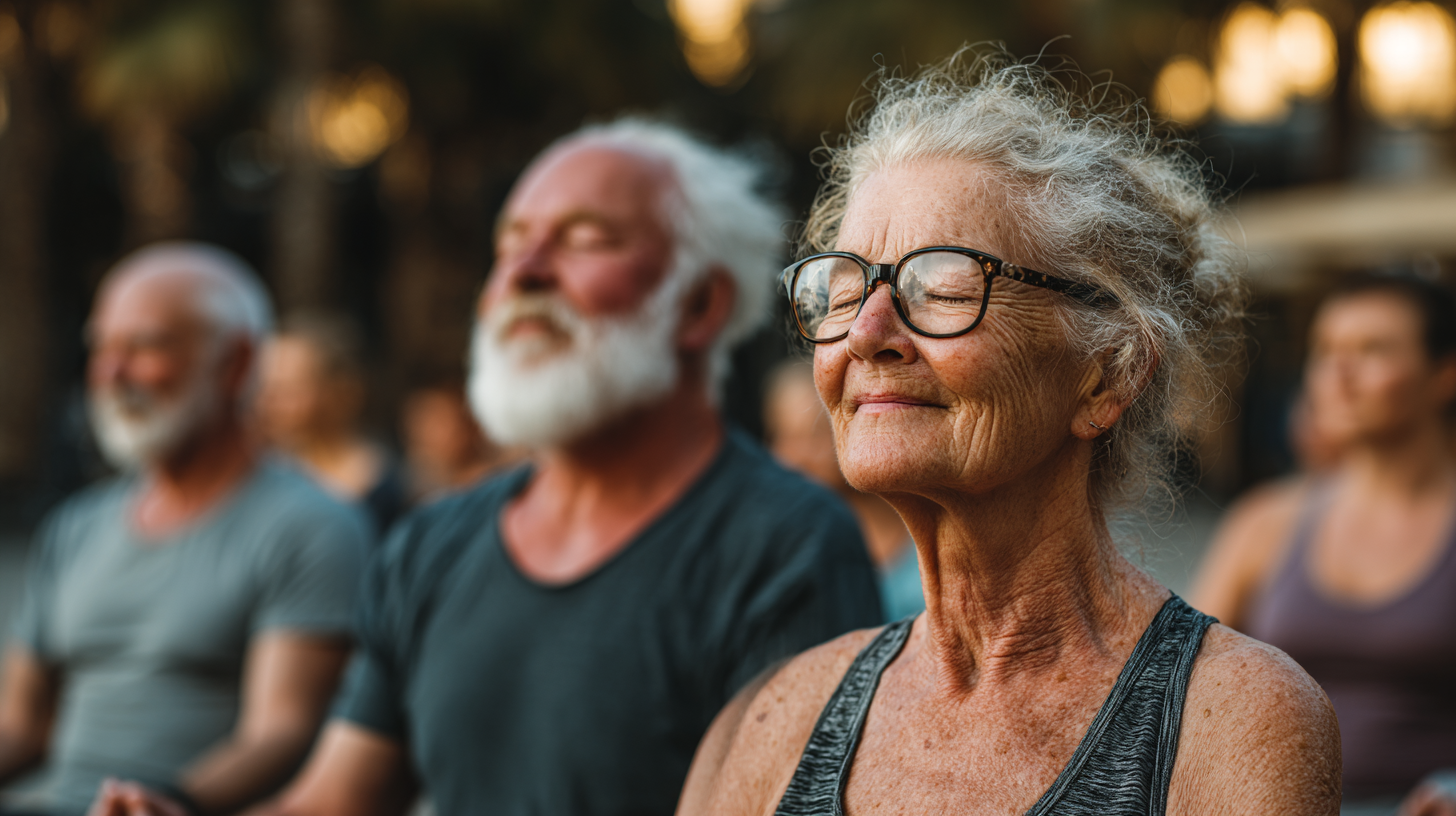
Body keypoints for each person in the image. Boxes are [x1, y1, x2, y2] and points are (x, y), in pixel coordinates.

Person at [96, 119, 883, 816]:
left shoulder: (789, 545)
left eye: (584, 239)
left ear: (699, 306)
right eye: (510, 243)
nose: (524, 272)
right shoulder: (432, 543)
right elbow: (335, 800)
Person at [677, 51, 1342, 816]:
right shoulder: (773, 725)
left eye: (944, 286)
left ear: (1108, 375)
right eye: (844, 289)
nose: (866, 333)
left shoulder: (1229, 721)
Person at [0, 244, 368, 816]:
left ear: (237, 363)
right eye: (102, 348)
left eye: (144, 346)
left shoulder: (313, 527)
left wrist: (168, 802)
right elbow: (21, 725)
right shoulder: (75, 527)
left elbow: (283, 730)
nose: (112, 373)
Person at [1193, 275, 1456, 816]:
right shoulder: (1265, 523)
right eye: (1326, 351)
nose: (1339, 374)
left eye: (1372, 350)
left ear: (1445, 375)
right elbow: (1183, 687)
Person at [764, 360, 922, 621]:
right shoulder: (784, 554)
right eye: (783, 437)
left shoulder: (922, 542)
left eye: (815, 435)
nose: (797, 458)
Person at [255, 314, 409, 534]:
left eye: (288, 391)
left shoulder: (390, 487)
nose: (268, 403)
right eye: (264, 388)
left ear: (343, 392)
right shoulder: (260, 475)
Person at [398, 375, 515, 503]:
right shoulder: (419, 494)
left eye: (442, 421)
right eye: (435, 423)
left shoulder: (504, 474)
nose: (454, 427)